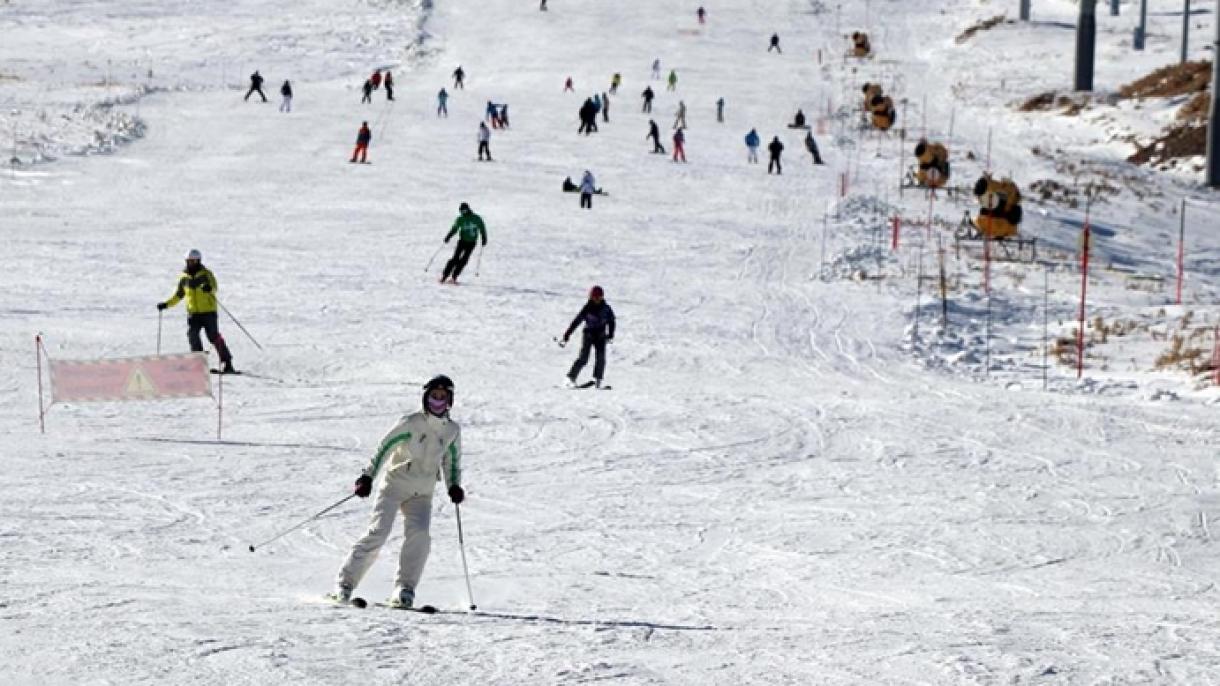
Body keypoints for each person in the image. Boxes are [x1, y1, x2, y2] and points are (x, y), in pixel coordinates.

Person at [330, 375, 465, 609]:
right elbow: (384, 447)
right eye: (434, 396)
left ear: (450, 400)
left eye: (443, 397)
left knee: (420, 537)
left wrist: (454, 485)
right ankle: (344, 585)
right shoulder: (411, 423)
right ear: (426, 397)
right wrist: (367, 476)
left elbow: (452, 461)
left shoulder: (452, 431)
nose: (438, 401)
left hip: (422, 492)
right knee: (379, 532)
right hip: (395, 485)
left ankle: (405, 588)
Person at [157, 249, 235, 374]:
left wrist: (208, 288)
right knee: (192, 335)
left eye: (193, 261)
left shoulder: (206, 274)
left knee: (213, 336)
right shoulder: (184, 277)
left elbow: (214, 288)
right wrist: (167, 304)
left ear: (198, 261)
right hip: (193, 313)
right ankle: (199, 363)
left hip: (208, 311)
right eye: (188, 261)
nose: (190, 264)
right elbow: (179, 295)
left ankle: (227, 362)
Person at [561, 286, 616, 388]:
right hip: (588, 335)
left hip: (600, 336)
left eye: (598, 298)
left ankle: (597, 379)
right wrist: (567, 335)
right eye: (593, 297)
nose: (595, 300)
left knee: (601, 358)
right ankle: (570, 378)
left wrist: (611, 334)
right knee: (583, 357)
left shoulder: (606, 309)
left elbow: (612, 321)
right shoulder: (587, 308)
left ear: (601, 297)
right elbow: (576, 322)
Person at [441, 202, 487, 284]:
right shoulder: (460, 219)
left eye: (465, 210)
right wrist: (449, 236)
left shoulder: (476, 218)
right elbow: (454, 228)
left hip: (472, 243)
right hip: (462, 241)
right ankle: (445, 276)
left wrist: (484, 237)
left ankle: (454, 276)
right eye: (462, 211)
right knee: (455, 258)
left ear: (468, 209)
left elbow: (482, 228)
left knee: (464, 260)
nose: (463, 212)